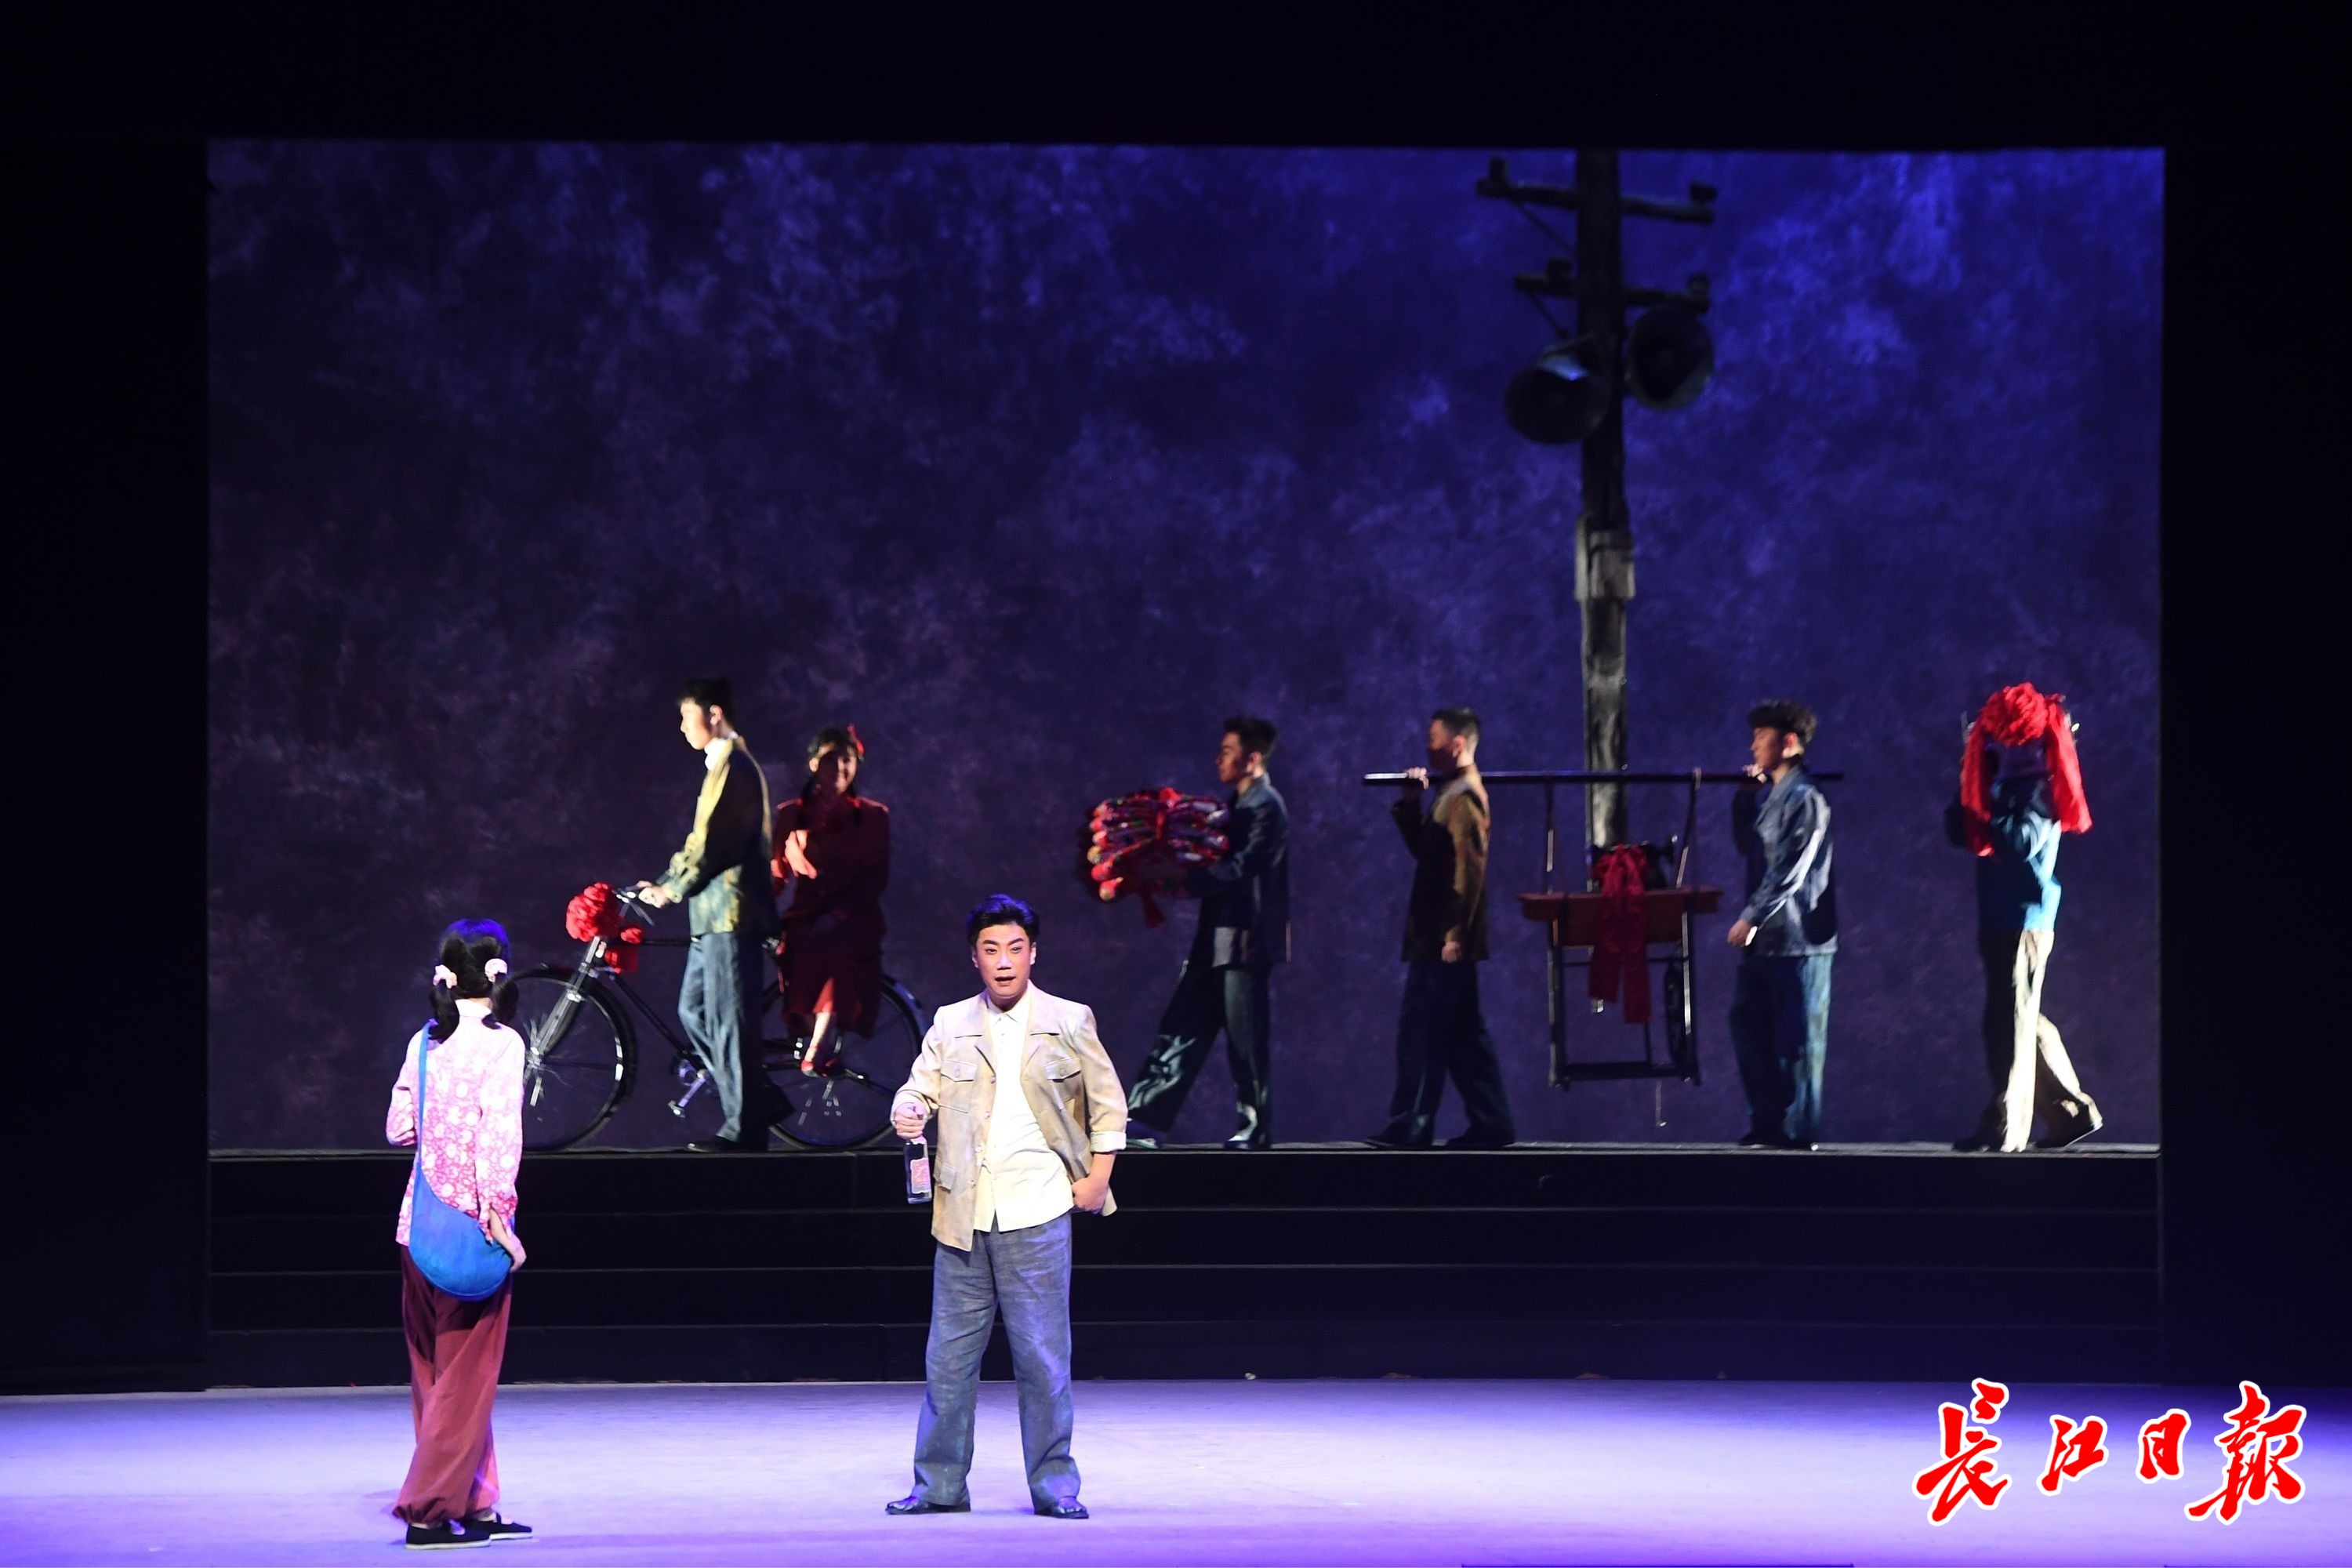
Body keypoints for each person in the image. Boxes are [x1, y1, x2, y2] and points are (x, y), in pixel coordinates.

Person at [885, 895, 1126, 1521]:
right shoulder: (951, 1022)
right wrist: (908, 1108)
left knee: (1043, 1360)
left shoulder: (1068, 1019)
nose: (1004, 961)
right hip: (963, 1216)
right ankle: (939, 1485)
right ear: (975, 957)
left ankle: (1055, 1486)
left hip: (1037, 1212)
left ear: (1033, 953)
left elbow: (1108, 1105)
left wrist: (1098, 1178)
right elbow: (919, 1087)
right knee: (948, 1361)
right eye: (991, 949)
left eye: (1015, 948)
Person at [385, 920, 532, 1549]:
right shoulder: (503, 1045)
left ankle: (475, 1501)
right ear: (499, 973)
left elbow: (398, 1128)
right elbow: (499, 1142)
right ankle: (427, 1511)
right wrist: (501, 1224)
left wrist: (439, 1129)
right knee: (465, 1385)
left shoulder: (425, 1041)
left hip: (418, 1230)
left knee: (436, 1377)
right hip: (472, 1233)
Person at [1947, 683, 2102, 1152]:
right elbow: (1960, 830)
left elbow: (2019, 842)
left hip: (2022, 918)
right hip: (2006, 915)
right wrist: (1972, 781)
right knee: (2020, 1017)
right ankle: (2070, 1113)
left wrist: (1986, 799)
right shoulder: (2014, 786)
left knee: (2010, 1022)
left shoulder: (2036, 788)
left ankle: (2007, 1125)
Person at [1124, 716, 1290, 1150]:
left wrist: (1183, 877)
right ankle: (1144, 1121)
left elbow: (1241, 868)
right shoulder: (1236, 806)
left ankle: (1256, 1127)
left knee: (1245, 1040)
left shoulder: (1266, 806)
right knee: (1181, 1028)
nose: (1219, 759)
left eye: (1228, 751)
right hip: (1214, 939)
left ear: (1252, 759)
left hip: (1245, 943)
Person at [635, 677, 781, 1153]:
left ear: (713, 714)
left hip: (731, 915)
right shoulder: (722, 765)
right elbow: (700, 841)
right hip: (713, 916)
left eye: (687, 716)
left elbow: (714, 842)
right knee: (694, 1009)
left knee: (728, 1022)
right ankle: (757, 1099)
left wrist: (672, 889)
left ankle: (745, 1128)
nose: (682, 727)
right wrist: (665, 880)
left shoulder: (734, 766)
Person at [1368, 708, 1515, 1149]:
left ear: (1457, 744)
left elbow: (1468, 874)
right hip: (1437, 934)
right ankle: (1491, 1121)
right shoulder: (1450, 792)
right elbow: (1430, 855)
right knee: (1463, 1034)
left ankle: (1414, 1122)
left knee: (1424, 1030)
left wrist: (1454, 935)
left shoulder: (1464, 797)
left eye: (1434, 739)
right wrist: (1411, 803)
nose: (1427, 747)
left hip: (1441, 938)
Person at [1727, 699, 1838, 1150]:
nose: (1754, 745)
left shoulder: (1805, 798)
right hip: (1767, 943)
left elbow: (1790, 869)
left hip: (1798, 941)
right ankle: (1768, 1124)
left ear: (1788, 742)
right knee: (1749, 1029)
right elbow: (1748, 846)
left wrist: (1750, 917)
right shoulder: (1773, 796)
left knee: (1796, 1044)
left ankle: (1796, 1134)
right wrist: (1743, 797)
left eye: (1762, 736)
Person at [771, 724, 891, 1077]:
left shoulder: (873, 816)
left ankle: (819, 1046)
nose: (839, 767)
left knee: (837, 947)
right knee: (796, 946)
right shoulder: (791, 814)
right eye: (830, 759)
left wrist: (838, 915)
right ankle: (812, 1038)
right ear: (813, 764)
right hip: (806, 913)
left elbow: (876, 877)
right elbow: (776, 873)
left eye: (847, 760)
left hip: (854, 913)